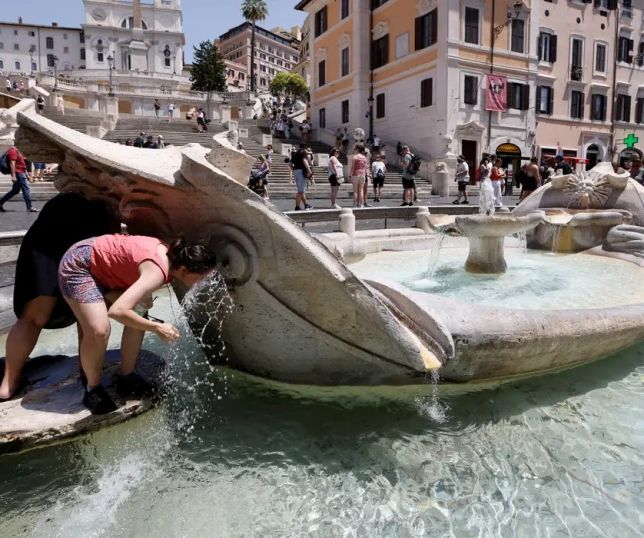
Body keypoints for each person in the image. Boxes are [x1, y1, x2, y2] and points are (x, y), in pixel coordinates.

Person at [57, 234, 217, 414]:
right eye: (201, 277)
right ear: (183, 271)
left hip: (103, 269)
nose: (204, 282)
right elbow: (117, 311)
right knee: (99, 330)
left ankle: (126, 377)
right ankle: (92, 389)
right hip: (79, 265)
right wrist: (156, 327)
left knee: (141, 309)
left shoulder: (174, 258)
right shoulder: (157, 272)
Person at [0, 193, 120, 401]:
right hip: (93, 226)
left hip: (53, 222)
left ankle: (8, 384)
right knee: (89, 312)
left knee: (33, 317)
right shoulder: (109, 200)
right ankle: (88, 373)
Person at [0, 145, 37, 213]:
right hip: (18, 173)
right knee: (26, 189)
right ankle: (29, 207)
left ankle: (0, 203)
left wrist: (27, 175)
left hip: (21, 173)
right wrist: (13, 176)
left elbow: (23, 165)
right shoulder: (13, 151)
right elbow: (12, 163)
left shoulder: (19, 151)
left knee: (15, 190)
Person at [290, 143, 312, 210]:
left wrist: (293, 169)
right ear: (305, 147)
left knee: (301, 190)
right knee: (300, 191)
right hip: (301, 172)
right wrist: (309, 170)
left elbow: (290, 164)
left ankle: (306, 205)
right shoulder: (303, 152)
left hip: (296, 172)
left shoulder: (295, 153)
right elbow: (305, 161)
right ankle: (297, 206)